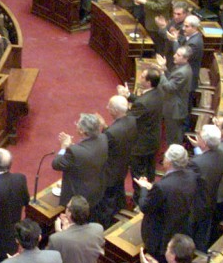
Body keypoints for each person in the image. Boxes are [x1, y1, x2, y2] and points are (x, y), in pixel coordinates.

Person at [136, 145, 195, 263]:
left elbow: (145, 207)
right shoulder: (191, 176)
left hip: (160, 237)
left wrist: (144, 188)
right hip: (180, 227)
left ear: (169, 162)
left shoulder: (162, 186)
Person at [50, 196, 106, 263]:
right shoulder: (98, 229)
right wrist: (67, 231)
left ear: (69, 214)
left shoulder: (57, 239)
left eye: (67, 207)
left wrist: (60, 232)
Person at [52, 113, 108, 210]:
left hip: (78, 196)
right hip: (97, 189)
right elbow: (84, 154)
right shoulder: (103, 138)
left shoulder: (74, 151)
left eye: (77, 123)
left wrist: (64, 147)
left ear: (82, 131)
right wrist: (73, 147)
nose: (76, 124)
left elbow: (56, 164)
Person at [96, 95, 136, 226]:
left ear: (115, 110)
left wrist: (101, 130)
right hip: (123, 165)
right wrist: (105, 127)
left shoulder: (111, 133)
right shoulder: (132, 120)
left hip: (110, 171)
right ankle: (120, 209)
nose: (107, 108)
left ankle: (107, 225)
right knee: (118, 190)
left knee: (107, 201)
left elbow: (101, 149)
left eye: (109, 106)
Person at [121, 68, 164, 182]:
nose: (140, 77)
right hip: (153, 139)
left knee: (139, 177)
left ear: (149, 82)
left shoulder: (142, 103)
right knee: (150, 171)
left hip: (141, 145)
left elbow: (127, 119)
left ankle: (141, 193)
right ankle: (150, 189)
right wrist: (129, 95)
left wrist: (122, 101)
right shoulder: (158, 91)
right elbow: (144, 100)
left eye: (143, 76)